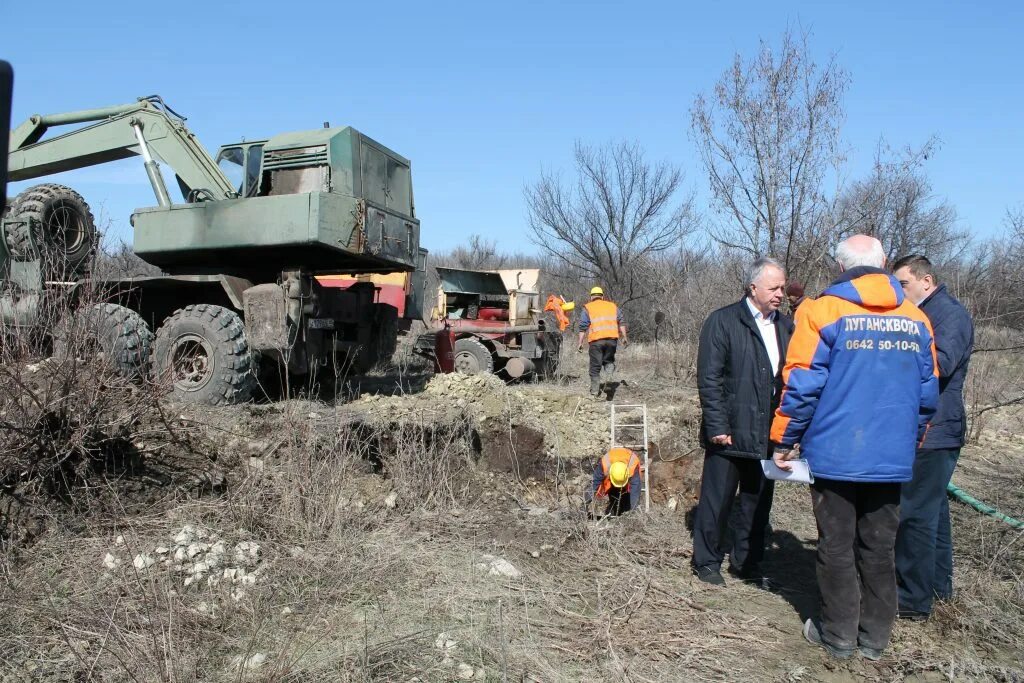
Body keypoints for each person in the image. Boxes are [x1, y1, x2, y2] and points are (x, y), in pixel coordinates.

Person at [771, 235, 939, 660]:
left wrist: (784, 439)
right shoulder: (915, 317)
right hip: (891, 456)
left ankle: (838, 634)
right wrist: (911, 440)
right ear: (882, 263)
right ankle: (875, 638)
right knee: (879, 546)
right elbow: (927, 393)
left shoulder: (821, 311)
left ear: (840, 266)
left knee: (836, 544)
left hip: (835, 453)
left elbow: (802, 384)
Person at [692, 257, 793, 586]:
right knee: (717, 500)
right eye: (774, 287)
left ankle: (747, 564)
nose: (780, 293)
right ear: (753, 288)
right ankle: (707, 562)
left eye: (783, 287)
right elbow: (710, 378)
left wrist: (789, 431)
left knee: (757, 502)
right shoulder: (723, 321)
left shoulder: (786, 326)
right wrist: (718, 425)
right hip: (731, 432)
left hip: (768, 433)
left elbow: (793, 379)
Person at [891, 255, 974, 621]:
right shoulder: (925, 313)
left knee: (914, 515)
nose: (899, 291)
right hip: (927, 428)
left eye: (903, 284)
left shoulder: (949, 315)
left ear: (926, 281)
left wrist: (895, 356)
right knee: (934, 514)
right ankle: (938, 588)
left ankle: (911, 598)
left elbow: (940, 363)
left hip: (936, 430)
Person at [576, 286, 627, 396]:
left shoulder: (588, 307)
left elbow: (582, 327)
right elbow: (621, 322)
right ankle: (609, 376)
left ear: (591, 297)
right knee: (608, 361)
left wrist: (580, 343)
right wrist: (624, 337)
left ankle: (595, 391)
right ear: (602, 296)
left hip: (596, 341)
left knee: (595, 366)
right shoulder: (613, 306)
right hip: (612, 340)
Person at [586, 447, 644, 516]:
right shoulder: (604, 464)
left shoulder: (633, 467)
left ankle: (624, 513)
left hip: (627, 477)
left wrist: (633, 513)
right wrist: (584, 503)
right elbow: (594, 484)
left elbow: (635, 490)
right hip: (612, 482)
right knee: (614, 497)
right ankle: (616, 512)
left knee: (627, 502)